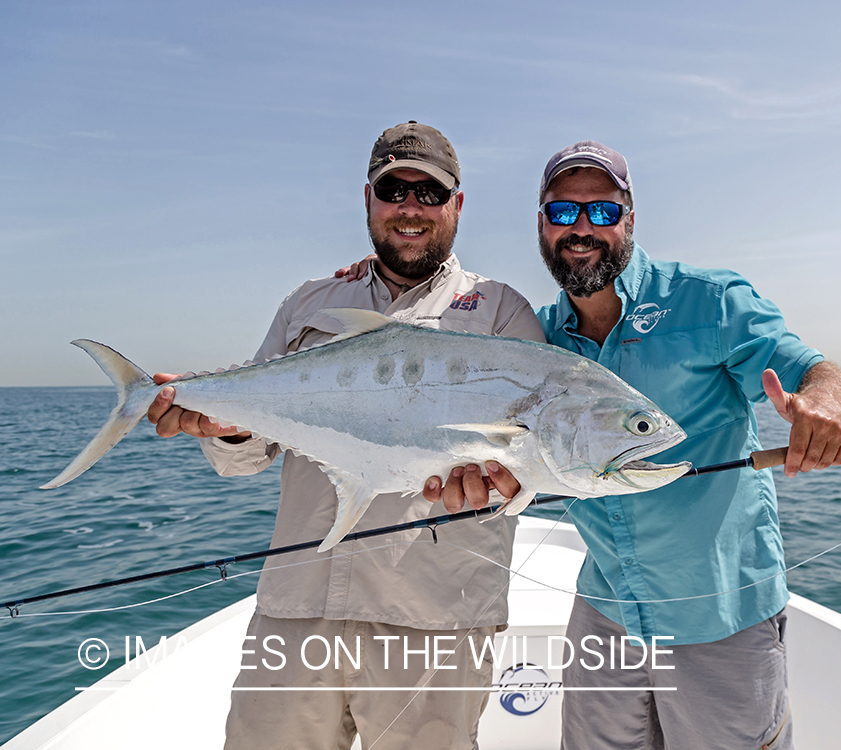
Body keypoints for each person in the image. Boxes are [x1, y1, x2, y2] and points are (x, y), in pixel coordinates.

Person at [339, 140, 841, 749]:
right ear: (541, 224)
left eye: (602, 211)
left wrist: (825, 404)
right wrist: (368, 278)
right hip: (606, 611)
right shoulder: (535, 338)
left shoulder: (707, 300)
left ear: (630, 218)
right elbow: (454, 377)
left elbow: (813, 370)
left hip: (719, 613)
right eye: (563, 213)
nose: (581, 228)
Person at [147, 121, 544, 750]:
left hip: (434, 621)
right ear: (368, 199)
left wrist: (498, 484)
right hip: (296, 609)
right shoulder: (309, 304)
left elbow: (530, 462)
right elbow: (248, 455)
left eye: (431, 194)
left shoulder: (501, 313)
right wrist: (222, 430)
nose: (411, 209)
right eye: (395, 190)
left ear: (458, 205)